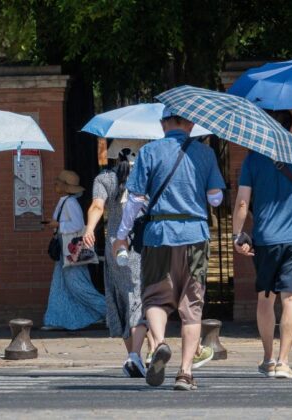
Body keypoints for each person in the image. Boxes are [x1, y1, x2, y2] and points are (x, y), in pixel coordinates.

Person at [112, 108, 226, 391]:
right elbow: (215, 199)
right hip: (195, 236)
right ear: (191, 123)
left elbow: (135, 200)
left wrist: (121, 235)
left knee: (154, 298)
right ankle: (185, 373)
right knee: (192, 305)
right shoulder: (205, 154)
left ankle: (160, 343)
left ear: (164, 123)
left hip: (158, 235)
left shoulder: (150, 152)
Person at [231, 110, 292, 380]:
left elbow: (241, 202)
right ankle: (285, 362)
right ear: (290, 129)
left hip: (266, 239)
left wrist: (237, 235)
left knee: (265, 299)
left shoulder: (252, 160)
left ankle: (268, 358)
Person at [82, 140, 157, 378]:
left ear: (114, 156)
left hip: (117, 248)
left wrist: (89, 229)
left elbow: (96, 205)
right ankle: (138, 354)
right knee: (141, 297)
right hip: (146, 244)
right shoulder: (149, 178)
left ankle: (138, 355)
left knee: (122, 297)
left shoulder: (105, 179)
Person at [43, 170, 107, 330]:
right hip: (65, 251)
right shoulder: (65, 201)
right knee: (60, 286)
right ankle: (56, 319)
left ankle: (109, 310)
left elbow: (77, 225)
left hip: (70, 251)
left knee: (78, 286)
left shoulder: (70, 203)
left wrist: (58, 225)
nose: (55, 184)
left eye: (58, 182)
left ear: (66, 187)